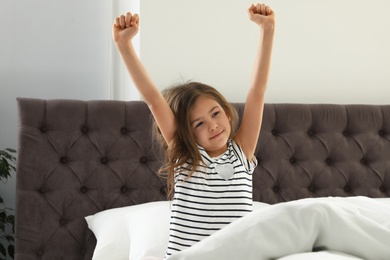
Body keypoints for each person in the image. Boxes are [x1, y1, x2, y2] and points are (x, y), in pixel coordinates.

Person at [112, 3, 275, 258]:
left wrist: (268, 29)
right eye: (198, 123)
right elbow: (154, 100)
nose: (212, 125)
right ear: (188, 133)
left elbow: (257, 91)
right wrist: (124, 45)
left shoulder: (242, 152)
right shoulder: (187, 156)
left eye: (215, 113)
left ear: (227, 112)